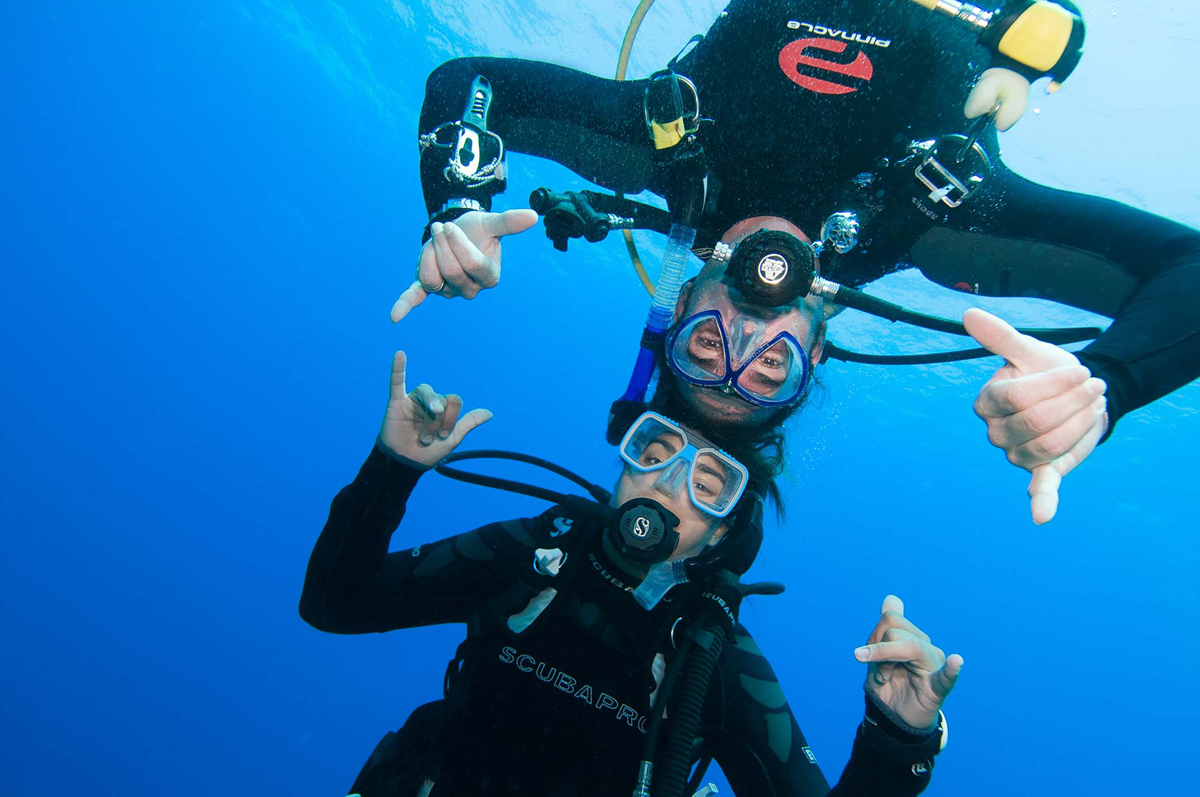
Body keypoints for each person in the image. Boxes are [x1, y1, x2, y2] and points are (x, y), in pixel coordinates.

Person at [392, 0, 1200, 523]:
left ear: (677, 306)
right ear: (814, 351)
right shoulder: (935, 223)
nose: (748, 324)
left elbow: (469, 80)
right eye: (771, 365)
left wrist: (456, 203)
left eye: (707, 344)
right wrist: (1110, 384)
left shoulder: (664, 156)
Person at [300, 349, 962, 796]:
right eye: (654, 451)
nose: (669, 486)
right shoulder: (533, 554)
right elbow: (335, 602)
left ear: (724, 533)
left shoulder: (711, 654)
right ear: (622, 465)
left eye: (708, 483)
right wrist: (392, 467)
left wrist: (897, 736)